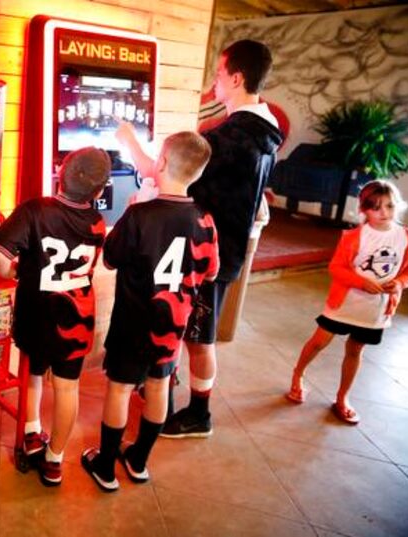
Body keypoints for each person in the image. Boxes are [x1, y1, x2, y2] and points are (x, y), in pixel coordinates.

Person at [116, 39, 284, 438]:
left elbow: (166, 173)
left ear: (237, 78)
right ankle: (166, 392)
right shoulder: (267, 130)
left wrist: (129, 142)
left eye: (220, 74)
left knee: (198, 339)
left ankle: (199, 414)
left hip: (205, 253)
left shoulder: (232, 137)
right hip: (221, 249)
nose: (214, 82)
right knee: (190, 332)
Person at [81, 132, 219, 491]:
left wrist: (129, 208)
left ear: (160, 163)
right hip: (172, 325)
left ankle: (106, 467)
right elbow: (211, 270)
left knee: (120, 389)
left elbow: (110, 259)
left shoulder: (140, 214)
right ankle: (139, 460)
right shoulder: (204, 220)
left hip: (133, 322)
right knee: (159, 386)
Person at [0, 146, 110, 486]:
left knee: (32, 373)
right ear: (100, 191)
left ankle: (30, 432)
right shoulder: (97, 222)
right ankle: (55, 459)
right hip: (77, 317)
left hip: (37, 313)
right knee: (68, 388)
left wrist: (14, 272)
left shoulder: (34, 210)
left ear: (60, 172)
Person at [287, 180, 408, 424]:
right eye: (376, 208)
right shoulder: (355, 236)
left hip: (375, 311)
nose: (384, 213)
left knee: (355, 350)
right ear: (364, 209)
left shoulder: (406, 237)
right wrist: (360, 282)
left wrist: (399, 284)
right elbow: (336, 267)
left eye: (389, 206)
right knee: (318, 342)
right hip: (344, 304)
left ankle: (342, 398)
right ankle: (297, 376)